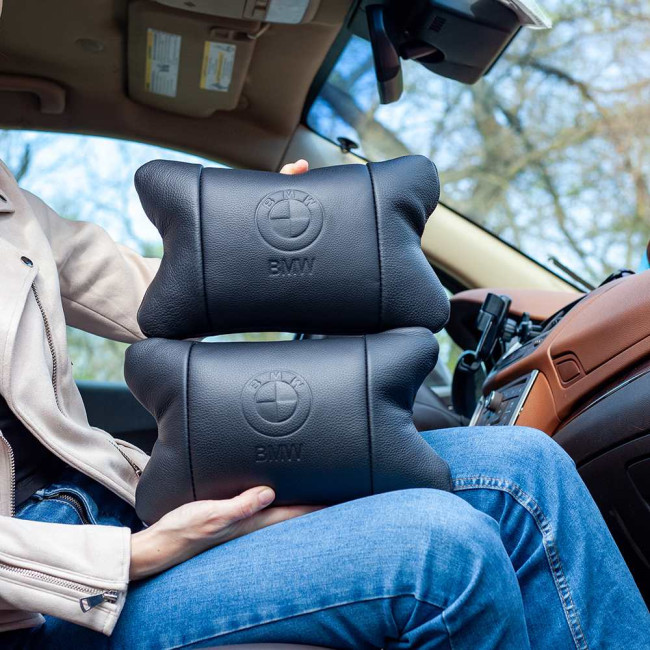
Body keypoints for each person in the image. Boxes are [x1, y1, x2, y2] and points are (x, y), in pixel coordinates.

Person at [0, 146, 648, 650]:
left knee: (524, 467)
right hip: (43, 602)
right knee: (440, 550)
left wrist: (246, 234)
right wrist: (138, 554)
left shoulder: (6, 199)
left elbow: (158, 290)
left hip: (112, 508)